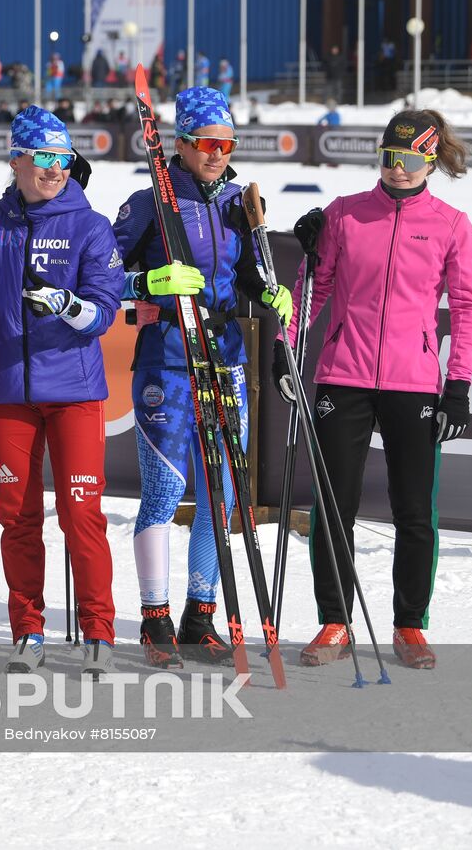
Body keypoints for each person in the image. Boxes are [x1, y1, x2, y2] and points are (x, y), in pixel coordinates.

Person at [279, 110, 472, 669]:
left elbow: (467, 310)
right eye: (391, 157)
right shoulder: (345, 213)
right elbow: (315, 287)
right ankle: (334, 621)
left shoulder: (451, 224)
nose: (399, 169)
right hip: (342, 375)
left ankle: (410, 625)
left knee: (414, 510)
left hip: (413, 383)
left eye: (412, 159)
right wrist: (286, 346)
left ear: (431, 162)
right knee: (333, 505)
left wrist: (458, 385)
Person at [112, 86, 292, 669]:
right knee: (164, 493)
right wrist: (147, 284)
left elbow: (247, 273)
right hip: (166, 357)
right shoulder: (150, 202)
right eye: (207, 143)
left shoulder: (238, 202)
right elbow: (102, 275)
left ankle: (200, 617)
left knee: (223, 494)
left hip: (224, 356)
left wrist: (269, 291)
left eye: (227, 144)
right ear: (183, 143)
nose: (218, 154)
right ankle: (154, 619)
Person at [0, 106, 123, 677]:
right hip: (7, 393)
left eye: (63, 158)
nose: (55, 169)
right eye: (43, 157)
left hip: (74, 391)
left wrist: (69, 306)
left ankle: (98, 631)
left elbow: (104, 312)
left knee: (81, 515)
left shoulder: (90, 225)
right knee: (18, 519)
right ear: (16, 160)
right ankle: (27, 630)